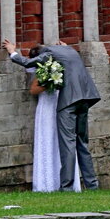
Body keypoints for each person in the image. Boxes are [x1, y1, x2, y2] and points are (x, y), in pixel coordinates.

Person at [3, 38, 101, 191]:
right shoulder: (69, 50)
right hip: (86, 97)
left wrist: (12, 52)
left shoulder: (49, 53)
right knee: (82, 143)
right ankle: (92, 185)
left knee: (67, 144)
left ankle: (67, 187)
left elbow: (27, 63)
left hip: (69, 101)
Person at [24, 44, 81, 192]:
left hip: (61, 103)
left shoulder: (59, 65)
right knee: (47, 140)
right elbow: (34, 89)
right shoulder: (44, 69)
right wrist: (51, 81)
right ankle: (47, 183)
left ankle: (69, 182)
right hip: (46, 108)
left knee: (65, 142)